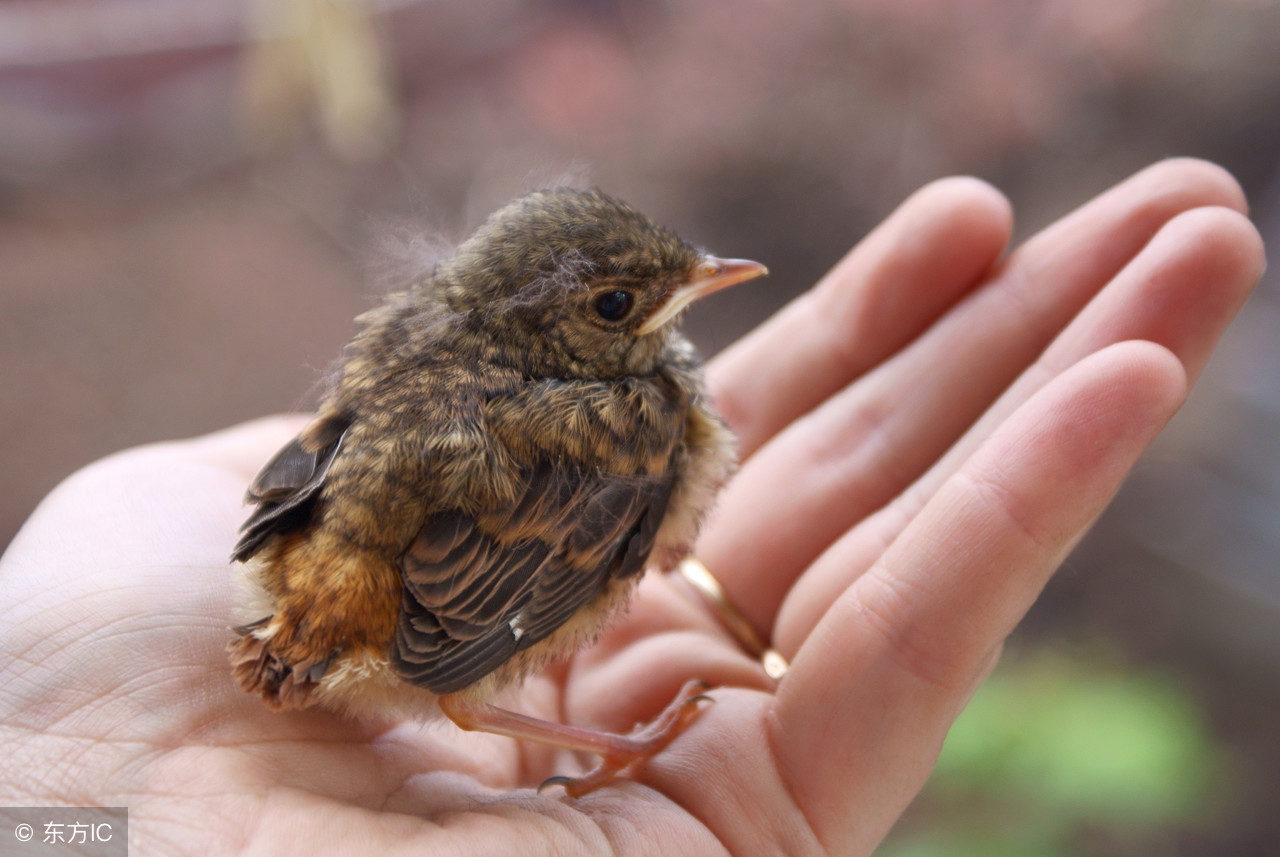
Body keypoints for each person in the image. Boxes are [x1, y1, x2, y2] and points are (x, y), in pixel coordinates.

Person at [0, 159, 1263, 855]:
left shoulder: (421, 333)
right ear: (570, 328)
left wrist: (45, 809)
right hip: (413, 609)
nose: (690, 289)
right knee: (459, 678)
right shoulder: (627, 421)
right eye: (622, 304)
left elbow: (332, 453)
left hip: (298, 542)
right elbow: (453, 659)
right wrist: (611, 740)